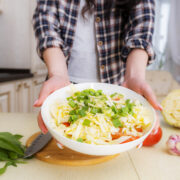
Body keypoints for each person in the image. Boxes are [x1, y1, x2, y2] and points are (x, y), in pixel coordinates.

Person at [33, 0, 162, 134]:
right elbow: (47, 31)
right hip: (64, 90)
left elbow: (140, 36)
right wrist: (58, 75)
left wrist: (134, 77)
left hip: (115, 93)